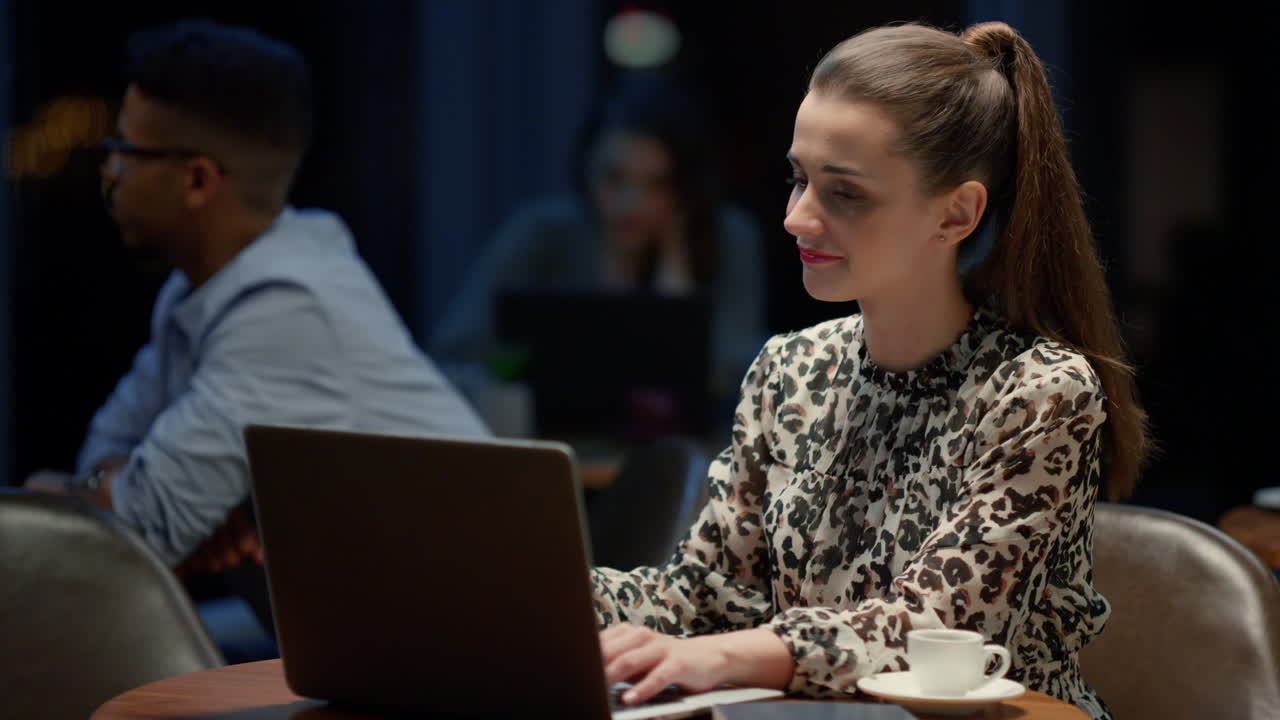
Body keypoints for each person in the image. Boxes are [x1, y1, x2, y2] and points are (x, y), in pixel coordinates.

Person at [589, 21, 1149, 720]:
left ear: (956, 214)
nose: (797, 218)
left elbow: (936, 632)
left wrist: (729, 655)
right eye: (798, 180)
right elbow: (704, 595)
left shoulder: (1039, 391)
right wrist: (537, 590)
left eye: (843, 194)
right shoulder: (789, 370)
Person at [24, 20, 488, 571]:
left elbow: (135, 534)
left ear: (197, 180)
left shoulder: (287, 307)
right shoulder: (199, 290)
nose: (110, 172)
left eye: (125, 152)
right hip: (368, 613)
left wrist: (63, 488)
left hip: (473, 613)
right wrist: (108, 486)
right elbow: (109, 456)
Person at [429, 74, 767, 423]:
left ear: (686, 185)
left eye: (657, 183)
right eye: (613, 177)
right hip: (555, 437)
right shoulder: (543, 232)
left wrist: (673, 288)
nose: (631, 203)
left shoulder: (727, 235)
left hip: (687, 451)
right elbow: (455, 347)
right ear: (586, 170)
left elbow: (737, 364)